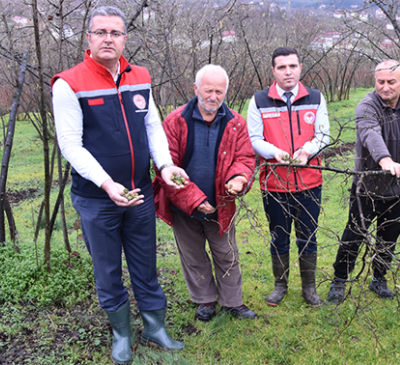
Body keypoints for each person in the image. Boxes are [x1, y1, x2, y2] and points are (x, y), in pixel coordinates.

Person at [51, 6, 185, 364]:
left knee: (146, 265)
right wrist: (108, 184)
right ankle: (121, 334)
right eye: (100, 32)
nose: (108, 38)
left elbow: (152, 126)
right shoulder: (69, 83)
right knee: (108, 271)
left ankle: (154, 327)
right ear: (88, 38)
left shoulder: (140, 76)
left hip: (139, 193)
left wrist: (166, 165)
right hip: (98, 199)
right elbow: (70, 144)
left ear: (125, 38)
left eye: (115, 33)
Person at [326, 60, 400, 304]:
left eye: (391, 82)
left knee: (389, 236)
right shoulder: (366, 106)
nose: (385, 87)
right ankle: (339, 280)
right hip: (367, 186)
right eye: (380, 81)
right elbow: (370, 134)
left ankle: (378, 278)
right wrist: (385, 161)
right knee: (354, 234)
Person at [153, 65, 257, 322]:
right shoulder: (175, 121)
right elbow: (165, 166)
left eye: (219, 91)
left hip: (221, 205)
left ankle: (233, 302)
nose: (213, 96)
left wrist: (239, 178)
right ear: (195, 88)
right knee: (193, 255)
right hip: (183, 206)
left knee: (227, 254)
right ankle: (205, 301)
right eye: (208, 90)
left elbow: (245, 158)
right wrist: (194, 199)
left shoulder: (236, 123)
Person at [247, 47, 330, 307]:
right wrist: (275, 153)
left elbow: (324, 135)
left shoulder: (315, 97)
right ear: (273, 71)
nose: (288, 72)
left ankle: (309, 288)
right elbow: (254, 139)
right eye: (281, 67)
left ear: (300, 68)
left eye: (292, 66)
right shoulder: (258, 100)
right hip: (275, 183)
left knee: (308, 236)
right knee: (278, 236)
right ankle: (280, 285)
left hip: (309, 182)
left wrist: (307, 151)